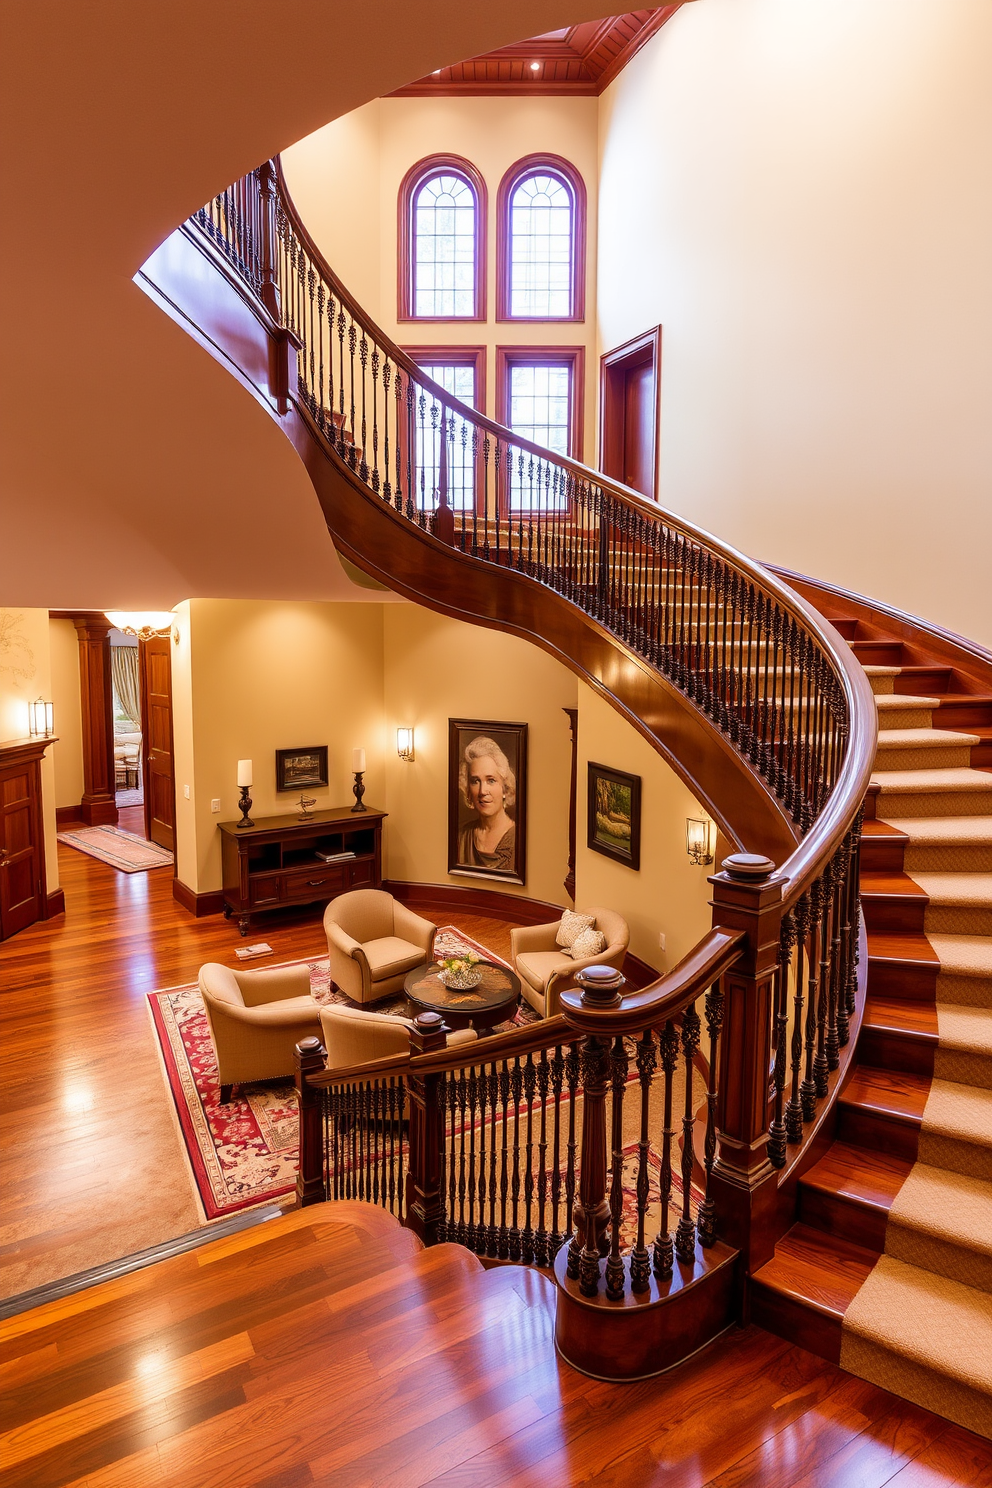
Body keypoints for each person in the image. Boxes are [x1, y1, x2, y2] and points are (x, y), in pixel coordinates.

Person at [457, 735, 516, 872]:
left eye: (491, 780)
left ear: (505, 787)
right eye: (475, 781)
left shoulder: (517, 839)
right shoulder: (462, 836)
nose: (483, 791)